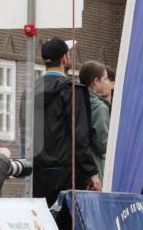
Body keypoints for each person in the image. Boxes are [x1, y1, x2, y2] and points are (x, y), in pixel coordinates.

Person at [20, 36, 101, 207]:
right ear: (64, 58)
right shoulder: (73, 90)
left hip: (37, 174)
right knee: (66, 228)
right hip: (67, 174)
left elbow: (25, 135)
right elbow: (80, 136)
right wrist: (92, 173)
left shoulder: (28, 93)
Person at [78, 61, 111, 183]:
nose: (109, 83)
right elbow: (103, 145)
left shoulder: (74, 100)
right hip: (94, 169)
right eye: (106, 79)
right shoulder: (99, 107)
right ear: (95, 81)